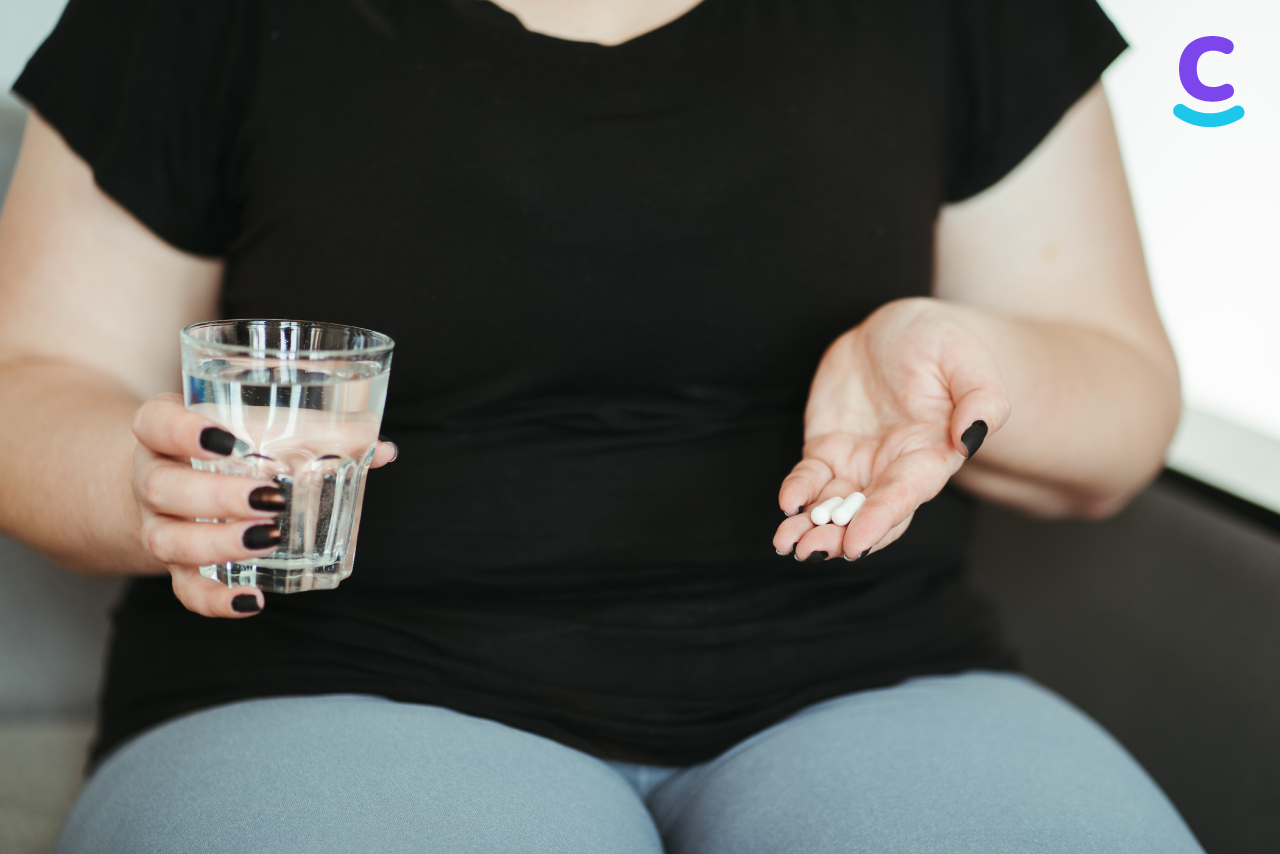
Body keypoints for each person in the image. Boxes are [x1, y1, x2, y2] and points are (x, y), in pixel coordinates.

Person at [0, 0, 1202, 850]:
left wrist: (975, 361)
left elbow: (1116, 418)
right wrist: (144, 485)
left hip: (871, 674)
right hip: (326, 677)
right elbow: (32, 380)